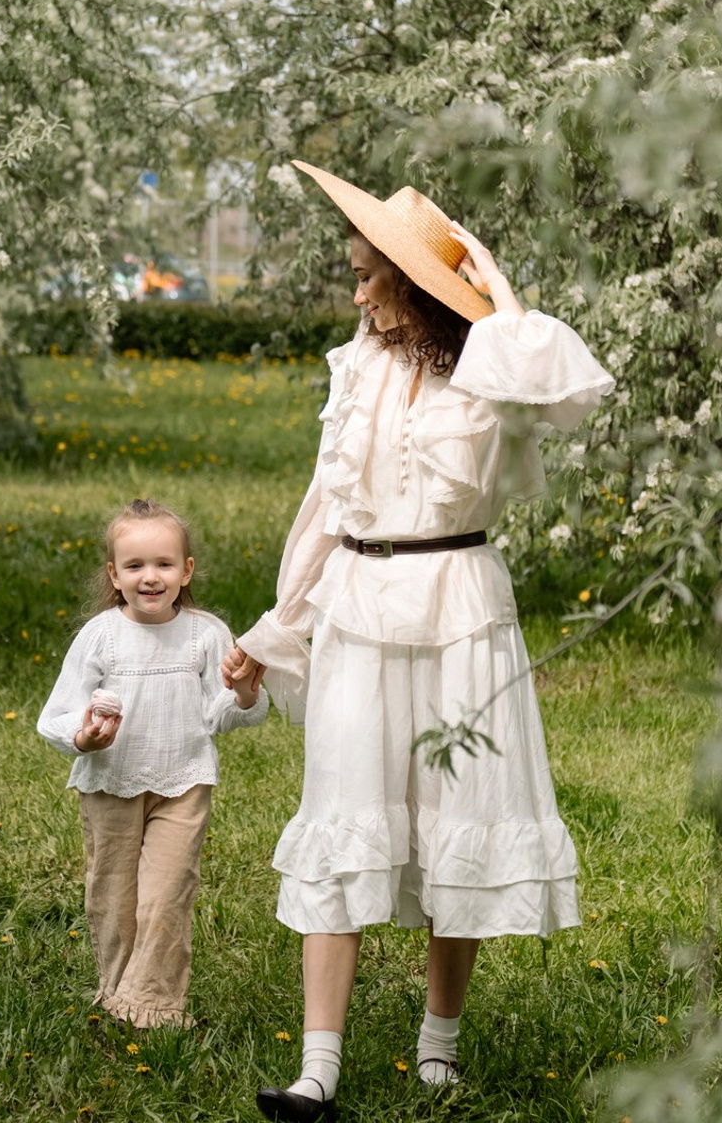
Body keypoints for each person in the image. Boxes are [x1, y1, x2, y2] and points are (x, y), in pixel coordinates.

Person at [222, 161, 615, 1121]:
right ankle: (318, 1069)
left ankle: (438, 1046)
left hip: (457, 603)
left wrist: (491, 285)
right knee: (341, 814)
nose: (357, 291)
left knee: (456, 818)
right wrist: (277, 631)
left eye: (370, 275)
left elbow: (572, 394)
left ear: (416, 287)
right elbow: (325, 508)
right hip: (358, 600)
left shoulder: (489, 365)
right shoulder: (355, 364)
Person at [37, 497, 268, 1029]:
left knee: (166, 897)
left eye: (164, 564)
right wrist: (85, 737)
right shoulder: (101, 635)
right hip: (109, 784)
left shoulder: (206, 634)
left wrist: (245, 696)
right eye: (135, 566)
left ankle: (154, 1005)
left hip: (184, 781)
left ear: (186, 571)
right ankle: (117, 991)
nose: (150, 577)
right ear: (113, 575)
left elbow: (223, 714)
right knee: (115, 898)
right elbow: (56, 715)